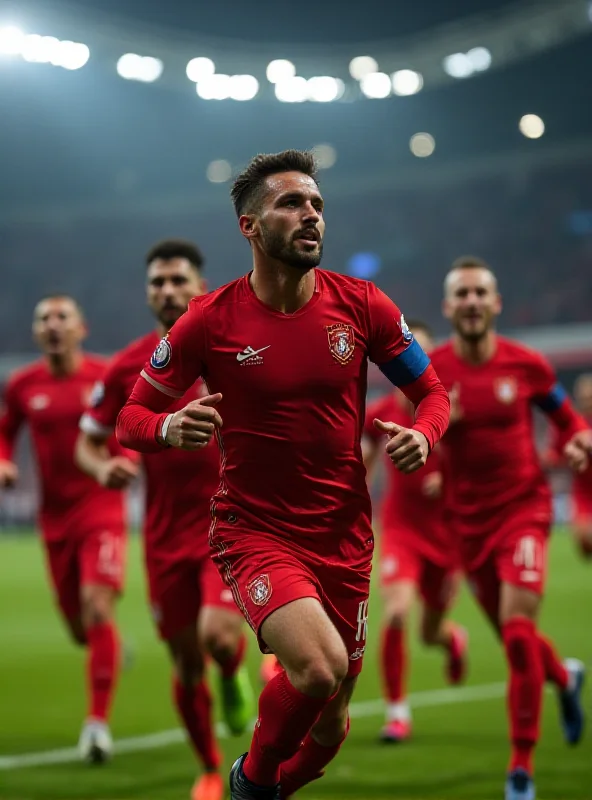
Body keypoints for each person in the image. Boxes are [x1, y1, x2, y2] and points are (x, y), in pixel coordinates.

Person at [115, 149, 450, 800]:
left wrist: (424, 434)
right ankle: (252, 782)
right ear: (250, 227)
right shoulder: (208, 320)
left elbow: (434, 392)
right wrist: (165, 428)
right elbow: (131, 414)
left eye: (318, 205)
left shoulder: (364, 305)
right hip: (256, 531)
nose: (311, 216)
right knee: (319, 669)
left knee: (332, 718)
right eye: (291, 204)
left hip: (346, 537)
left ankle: (273, 785)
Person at [76, 239, 253, 800]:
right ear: (148, 293)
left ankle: (233, 669)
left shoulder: (234, 345)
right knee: (184, 663)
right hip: (162, 537)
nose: (168, 291)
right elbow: (90, 440)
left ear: (202, 287)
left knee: (217, 637)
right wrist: (101, 469)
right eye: (158, 282)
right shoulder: (129, 366)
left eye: (179, 280)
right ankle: (207, 766)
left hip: (227, 526)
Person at [430, 255, 592, 800]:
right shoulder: (431, 372)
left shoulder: (527, 365)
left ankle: (520, 767)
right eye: (463, 294)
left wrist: (578, 438)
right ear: (449, 307)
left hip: (524, 510)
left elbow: (567, 418)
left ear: (495, 303)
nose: (472, 302)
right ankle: (566, 678)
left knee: (519, 633)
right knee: (512, 638)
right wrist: (437, 429)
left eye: (481, 293)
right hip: (468, 526)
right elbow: (414, 436)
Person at [0, 295, 128, 763]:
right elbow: (6, 429)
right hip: (53, 519)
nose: (53, 325)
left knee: (97, 608)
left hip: (101, 508)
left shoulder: (104, 375)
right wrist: (4, 462)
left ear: (81, 328)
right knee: (80, 628)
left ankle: (96, 725)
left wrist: (124, 460)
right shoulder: (22, 384)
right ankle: (112, 649)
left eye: (62, 318)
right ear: (36, 333)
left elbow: (127, 424)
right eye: (44, 319)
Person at [362, 319, 467, 744]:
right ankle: (397, 712)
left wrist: (453, 481)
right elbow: (363, 461)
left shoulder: (454, 410)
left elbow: (488, 466)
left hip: (449, 536)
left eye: (422, 354)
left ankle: (451, 639)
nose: (413, 361)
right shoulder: (380, 414)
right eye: (406, 353)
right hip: (402, 530)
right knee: (398, 613)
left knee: (429, 633)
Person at [544, 373, 592, 559]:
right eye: (585, 398)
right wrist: (561, 457)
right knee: (584, 545)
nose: (588, 401)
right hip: (583, 490)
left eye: (591, 397)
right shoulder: (571, 424)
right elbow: (554, 453)